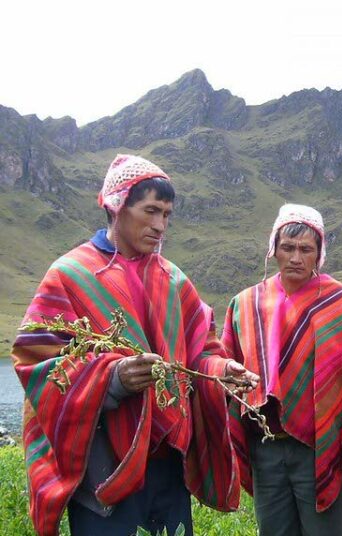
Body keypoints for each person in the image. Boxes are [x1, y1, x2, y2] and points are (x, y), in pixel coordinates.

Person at [11, 154, 258, 536]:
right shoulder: (70, 275)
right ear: (116, 206)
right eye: (151, 211)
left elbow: (202, 352)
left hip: (167, 465)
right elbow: (34, 358)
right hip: (103, 466)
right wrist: (112, 380)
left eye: (167, 215)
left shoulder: (173, 281)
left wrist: (222, 371)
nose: (160, 226)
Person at [222, 203, 342, 536]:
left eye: (306, 249)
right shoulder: (245, 305)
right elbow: (227, 369)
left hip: (323, 449)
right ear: (274, 250)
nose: (296, 257)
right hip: (265, 448)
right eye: (287, 248)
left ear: (318, 254)